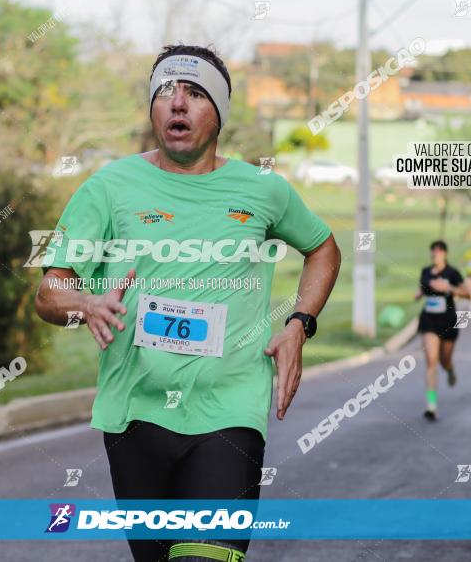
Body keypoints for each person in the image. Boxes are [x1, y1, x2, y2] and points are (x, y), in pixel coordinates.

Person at [34, 44, 341, 562]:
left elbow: (323, 248)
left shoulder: (262, 189)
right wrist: (85, 303)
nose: (177, 104)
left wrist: (298, 324)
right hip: (136, 412)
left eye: (195, 94)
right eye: (166, 93)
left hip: (230, 409)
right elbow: (48, 292)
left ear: (218, 112)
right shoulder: (109, 187)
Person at [415, 240, 469, 421]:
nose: (435, 254)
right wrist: (419, 293)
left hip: (448, 321)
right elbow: (422, 287)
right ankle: (431, 406)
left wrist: (450, 288)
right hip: (429, 321)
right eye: (433, 252)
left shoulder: (452, 273)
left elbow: (468, 293)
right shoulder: (425, 271)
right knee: (431, 362)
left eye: (438, 252)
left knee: (444, 360)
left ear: (445, 254)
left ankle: (450, 369)